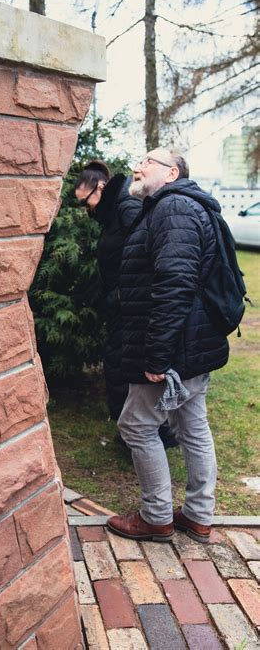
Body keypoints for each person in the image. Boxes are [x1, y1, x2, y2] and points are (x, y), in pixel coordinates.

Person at [107, 147, 229, 544]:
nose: (135, 167)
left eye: (147, 161)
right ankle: (198, 515)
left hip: (172, 350)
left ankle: (156, 516)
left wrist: (157, 356)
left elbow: (174, 285)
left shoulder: (174, 209)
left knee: (136, 426)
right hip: (191, 345)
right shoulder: (175, 206)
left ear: (172, 172)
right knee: (193, 425)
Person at [74, 160, 178, 448]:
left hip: (130, 305)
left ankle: (142, 435)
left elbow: (143, 256)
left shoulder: (127, 206)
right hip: (122, 302)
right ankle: (138, 433)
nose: (87, 208)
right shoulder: (114, 210)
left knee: (122, 366)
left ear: (101, 187)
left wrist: (122, 294)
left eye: (87, 200)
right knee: (119, 365)